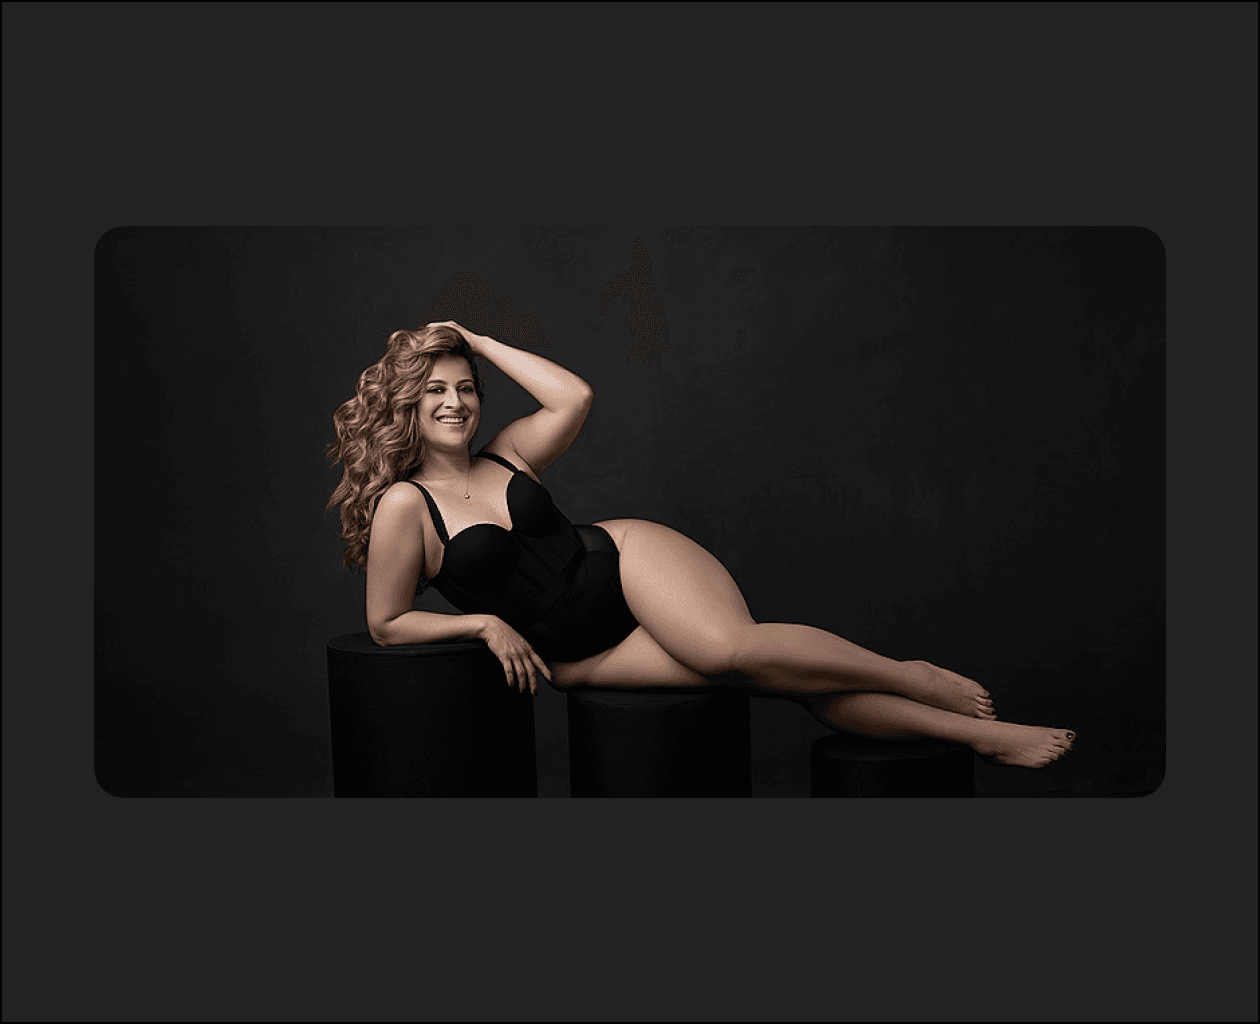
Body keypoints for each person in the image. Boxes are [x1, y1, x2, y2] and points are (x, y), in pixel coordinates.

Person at [327, 322, 1075, 769]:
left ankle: (914, 678)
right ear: (407, 405)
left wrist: (479, 342)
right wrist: (485, 623)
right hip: (582, 654)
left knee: (732, 650)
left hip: (626, 561)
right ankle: (975, 734)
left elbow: (574, 396)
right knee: (778, 680)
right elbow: (386, 623)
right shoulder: (405, 505)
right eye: (436, 391)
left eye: (465, 387)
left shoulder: (509, 453)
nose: (455, 402)